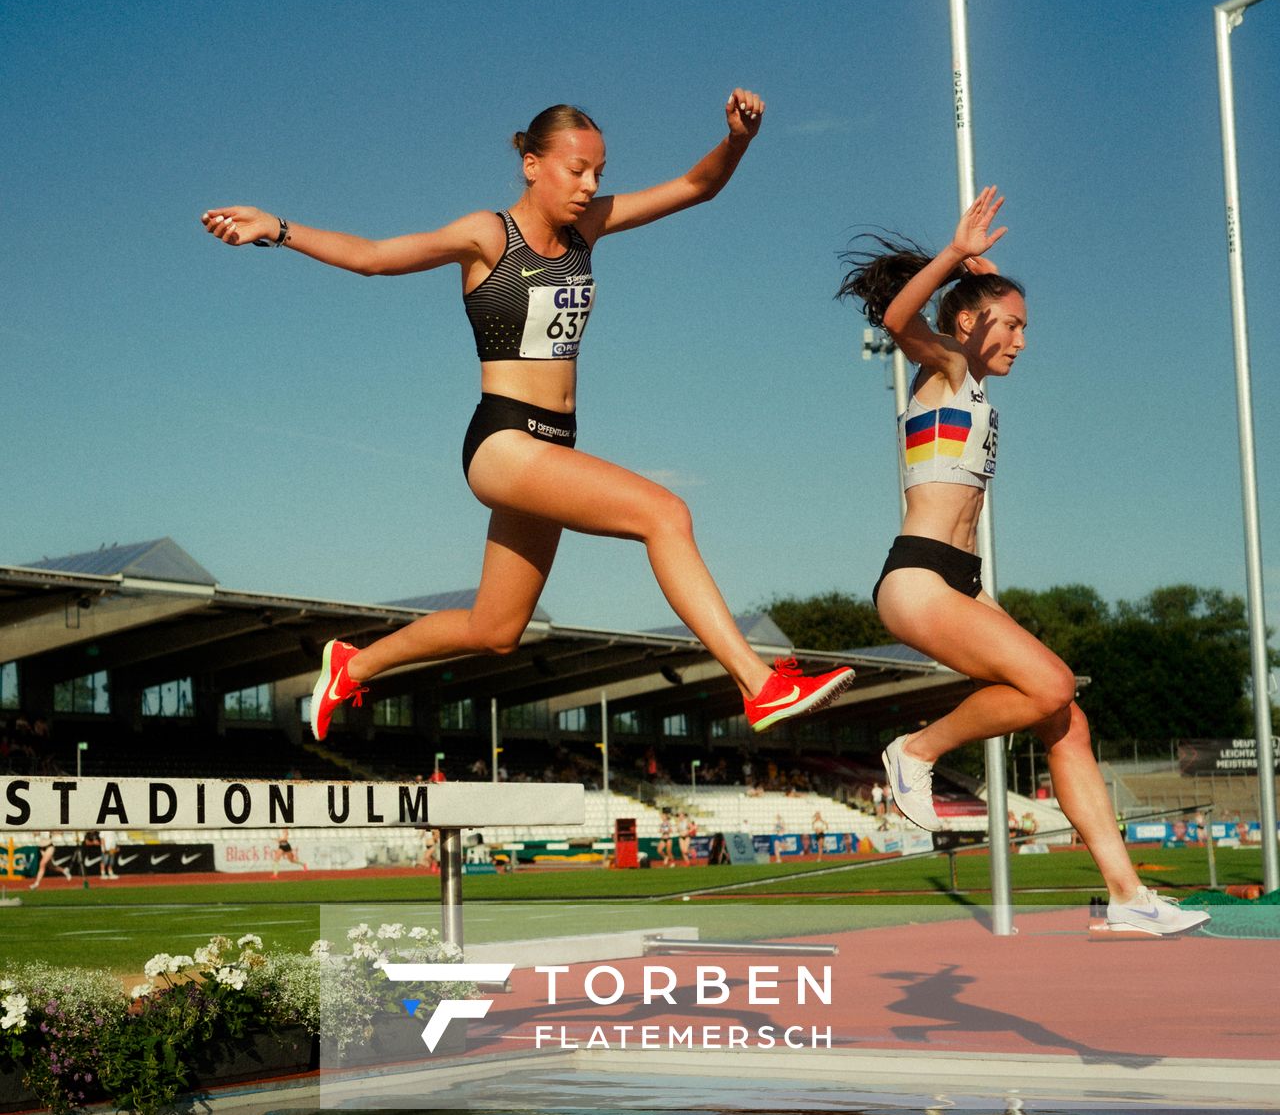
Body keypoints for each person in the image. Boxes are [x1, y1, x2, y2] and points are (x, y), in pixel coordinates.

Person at [203, 94, 852, 744]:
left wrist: (737, 139)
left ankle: (354, 663)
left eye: (600, 171)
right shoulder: (488, 236)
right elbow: (374, 256)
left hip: (555, 444)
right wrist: (279, 229)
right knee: (666, 515)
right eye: (577, 170)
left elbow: (696, 185)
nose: (591, 185)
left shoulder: (586, 230)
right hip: (504, 441)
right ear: (533, 165)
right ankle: (758, 684)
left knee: (496, 630)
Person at [839, 187, 1208, 937]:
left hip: (964, 587)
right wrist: (953, 257)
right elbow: (897, 318)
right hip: (919, 579)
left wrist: (978, 273)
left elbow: (967, 305)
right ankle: (916, 749)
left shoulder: (967, 379)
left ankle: (1129, 896)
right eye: (1012, 326)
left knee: (1068, 720)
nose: (1024, 341)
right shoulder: (941, 367)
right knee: (1051, 682)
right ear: (970, 325)